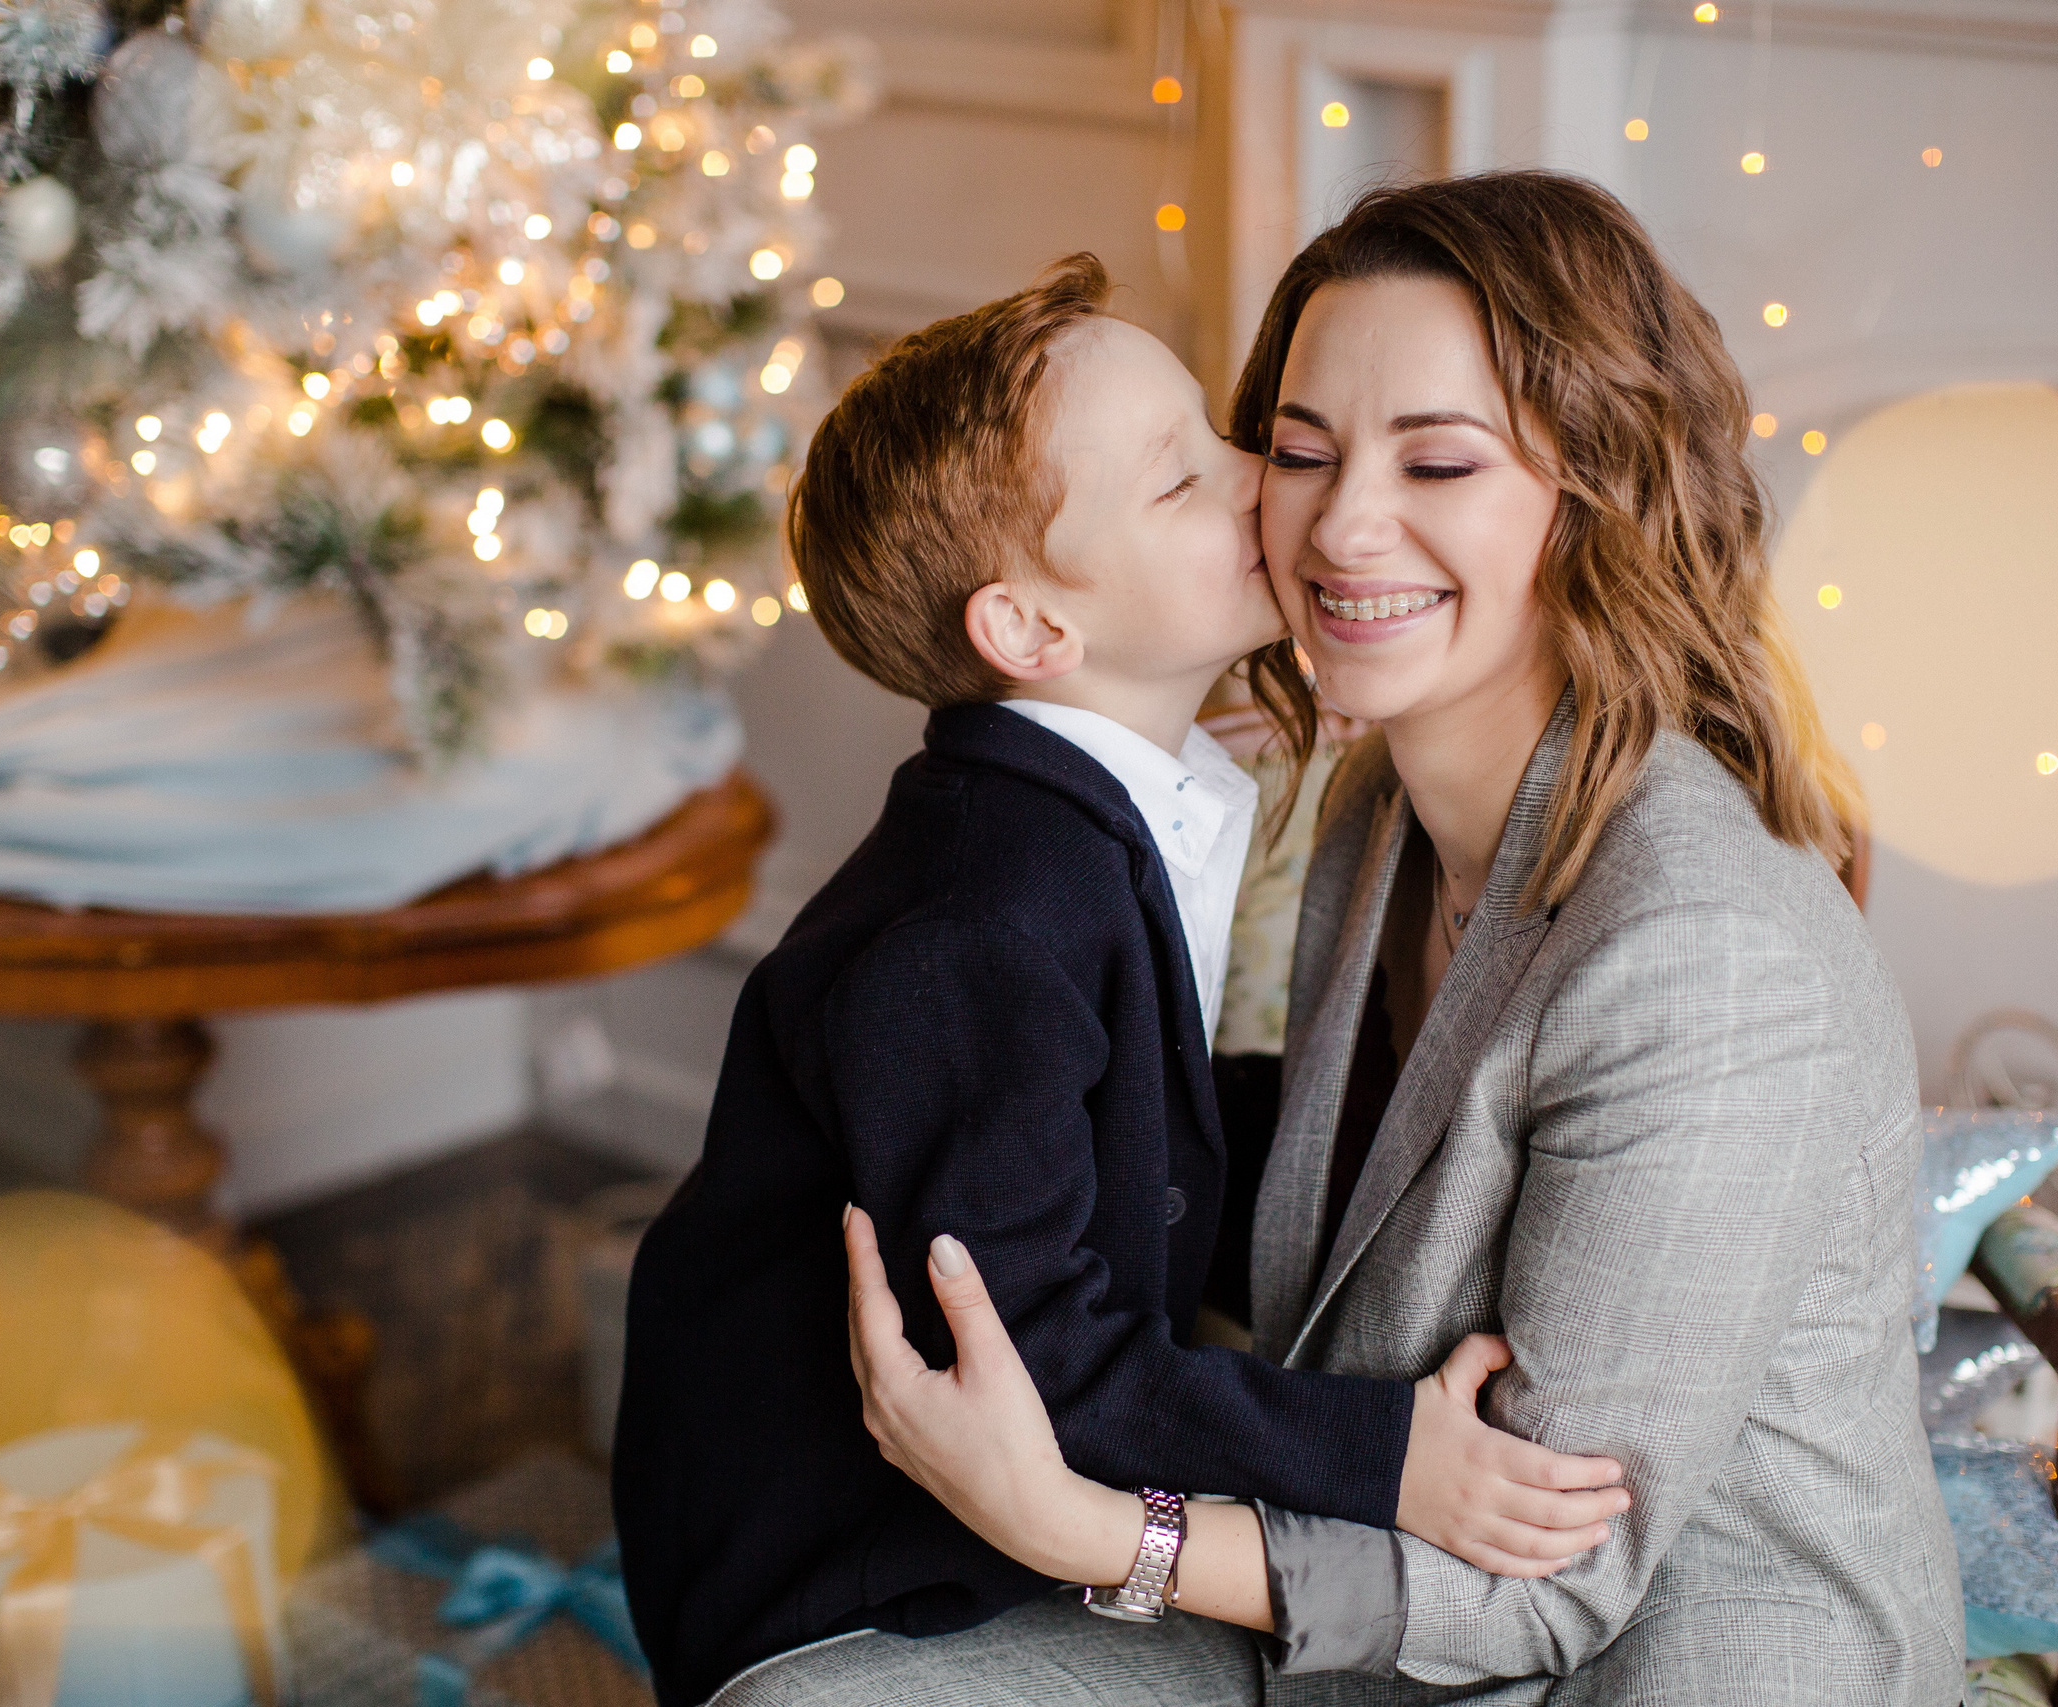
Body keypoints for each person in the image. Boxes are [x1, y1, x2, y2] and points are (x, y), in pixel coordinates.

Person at [795, 171, 1969, 1705]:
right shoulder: (1373, 804)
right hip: (1358, 1606)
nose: (1341, 525)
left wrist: (1081, 1528)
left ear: (1597, 491)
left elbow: (1545, 1592)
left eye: (1439, 461)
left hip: (1653, 1664)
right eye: (1298, 451)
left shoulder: (1708, 958)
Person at [612, 253, 1633, 1707]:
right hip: (854, 1574)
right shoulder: (977, 921)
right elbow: (1036, 1362)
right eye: (1181, 481)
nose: (1258, 478)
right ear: (1033, 631)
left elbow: (1138, 1132)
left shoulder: (1081, 824)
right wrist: (1389, 1456)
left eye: (1221, 437)